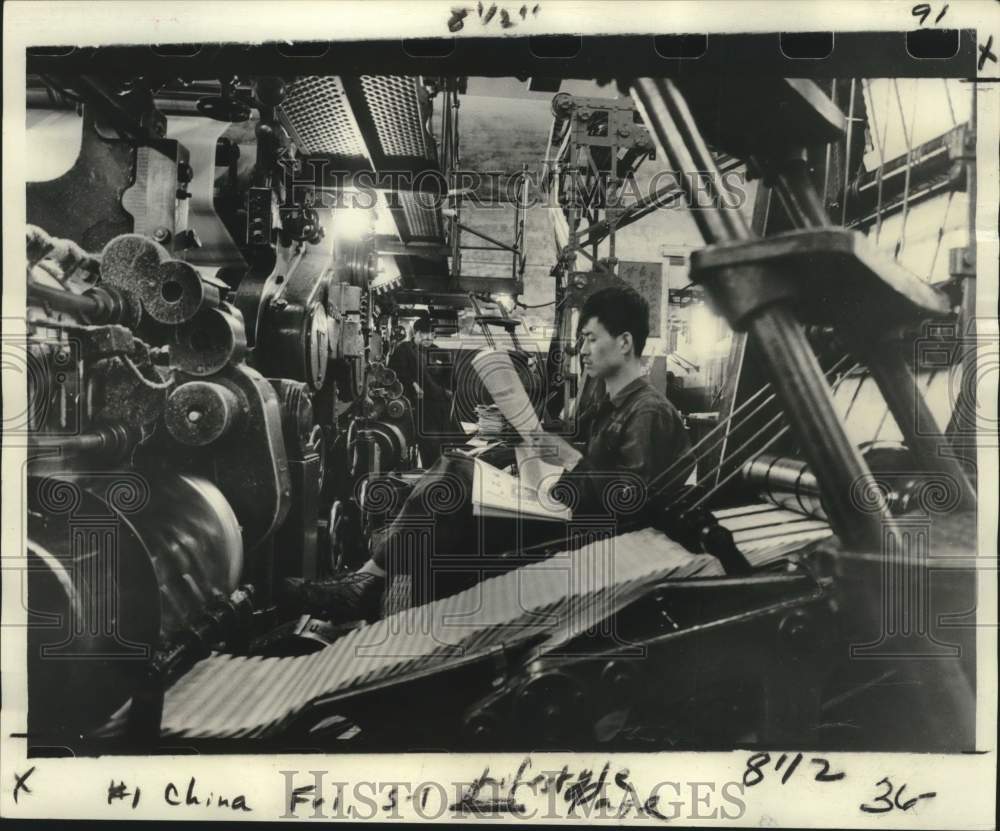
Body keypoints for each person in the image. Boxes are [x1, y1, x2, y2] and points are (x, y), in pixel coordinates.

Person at [282, 285, 694, 622]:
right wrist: (523, 431)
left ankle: (371, 585)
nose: (582, 350)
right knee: (459, 472)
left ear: (624, 343)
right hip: (566, 509)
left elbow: (631, 502)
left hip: (590, 537)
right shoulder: (607, 403)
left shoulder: (649, 412)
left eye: (590, 339)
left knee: (456, 484)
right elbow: (572, 447)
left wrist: (567, 460)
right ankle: (377, 586)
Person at [388, 317, 456, 467]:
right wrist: (412, 384)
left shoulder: (438, 352)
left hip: (440, 408)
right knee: (431, 448)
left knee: (444, 448)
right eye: (425, 334)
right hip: (418, 407)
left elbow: (450, 379)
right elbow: (396, 374)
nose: (429, 338)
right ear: (416, 333)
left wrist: (447, 392)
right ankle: (430, 477)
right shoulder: (404, 350)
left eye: (432, 334)